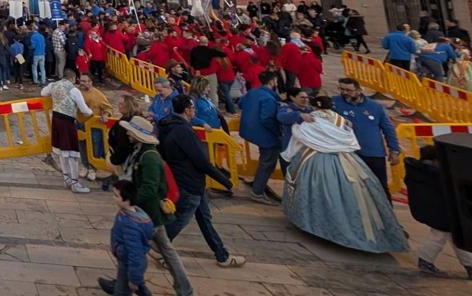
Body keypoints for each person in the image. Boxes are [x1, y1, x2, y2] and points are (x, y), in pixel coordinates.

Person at [281, 95, 407, 253]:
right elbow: (349, 139)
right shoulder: (342, 120)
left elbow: (300, 135)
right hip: (345, 159)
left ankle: (320, 226)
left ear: (315, 106)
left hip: (315, 158)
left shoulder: (310, 119)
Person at [156, 95, 244, 268]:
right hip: (189, 182)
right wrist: (226, 182)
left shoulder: (166, 125)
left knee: (204, 218)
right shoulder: (184, 131)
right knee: (180, 219)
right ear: (188, 109)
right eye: (193, 108)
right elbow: (201, 161)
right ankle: (157, 245)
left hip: (184, 179)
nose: (194, 111)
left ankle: (221, 255)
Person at [117, 116, 193, 296]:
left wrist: (130, 201)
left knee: (132, 248)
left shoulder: (149, 157)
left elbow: (149, 188)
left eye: (130, 131)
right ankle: (183, 288)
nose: (127, 133)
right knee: (162, 250)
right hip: (146, 212)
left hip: (148, 213)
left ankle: (127, 287)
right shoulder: (141, 151)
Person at [405, 144, 472, 278]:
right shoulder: (438, 174)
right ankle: (426, 261)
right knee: (444, 236)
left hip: (435, 210)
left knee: (452, 237)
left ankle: (469, 266)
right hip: (444, 212)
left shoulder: (420, 171)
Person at [332, 77, 400, 196]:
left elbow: (388, 129)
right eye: (341, 89)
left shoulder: (375, 107)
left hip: (374, 154)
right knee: (351, 188)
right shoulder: (334, 103)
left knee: (380, 187)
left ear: (359, 90)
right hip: (349, 154)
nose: (344, 93)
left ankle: (386, 213)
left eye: (348, 90)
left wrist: (394, 149)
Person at [96, 179, 154, 296]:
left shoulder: (130, 224)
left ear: (126, 199)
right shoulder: (132, 213)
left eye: (116, 196)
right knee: (135, 279)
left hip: (128, 260)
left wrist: (133, 280)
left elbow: (135, 252)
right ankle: (139, 287)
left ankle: (128, 285)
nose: (114, 198)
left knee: (122, 291)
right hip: (127, 258)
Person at [41, 68, 93, 193]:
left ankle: (66, 179)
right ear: (73, 78)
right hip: (67, 122)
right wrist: (92, 113)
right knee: (72, 153)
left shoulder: (54, 85)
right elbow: (85, 110)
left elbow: (43, 92)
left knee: (62, 151)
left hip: (56, 119)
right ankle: (75, 182)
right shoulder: (74, 90)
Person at [238, 70, 282, 205]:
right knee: (268, 162)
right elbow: (266, 119)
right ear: (272, 81)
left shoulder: (253, 92)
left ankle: (258, 182)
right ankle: (257, 191)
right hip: (264, 134)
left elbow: (241, 103)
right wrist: (278, 132)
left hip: (248, 130)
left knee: (265, 159)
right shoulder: (269, 98)